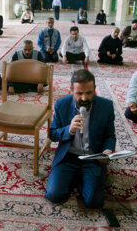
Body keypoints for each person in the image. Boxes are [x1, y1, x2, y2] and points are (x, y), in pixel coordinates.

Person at [45, 69, 116, 209]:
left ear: (94, 89)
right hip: (68, 157)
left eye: (89, 93)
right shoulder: (61, 104)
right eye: (79, 93)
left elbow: (110, 136)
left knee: (93, 202)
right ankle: (75, 177)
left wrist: (107, 150)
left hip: (92, 158)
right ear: (72, 90)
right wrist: (69, 130)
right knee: (54, 195)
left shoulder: (106, 106)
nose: (84, 98)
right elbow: (52, 134)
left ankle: (81, 178)